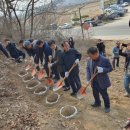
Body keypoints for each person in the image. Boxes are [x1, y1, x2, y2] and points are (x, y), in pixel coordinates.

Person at [87, 47, 113, 113]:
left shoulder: (105, 59)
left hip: (102, 82)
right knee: (95, 93)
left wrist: (103, 70)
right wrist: (88, 78)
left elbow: (110, 68)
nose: (89, 57)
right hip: (93, 81)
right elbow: (88, 68)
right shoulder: (90, 60)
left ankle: (107, 106)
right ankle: (97, 102)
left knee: (104, 95)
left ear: (96, 54)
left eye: (91, 56)